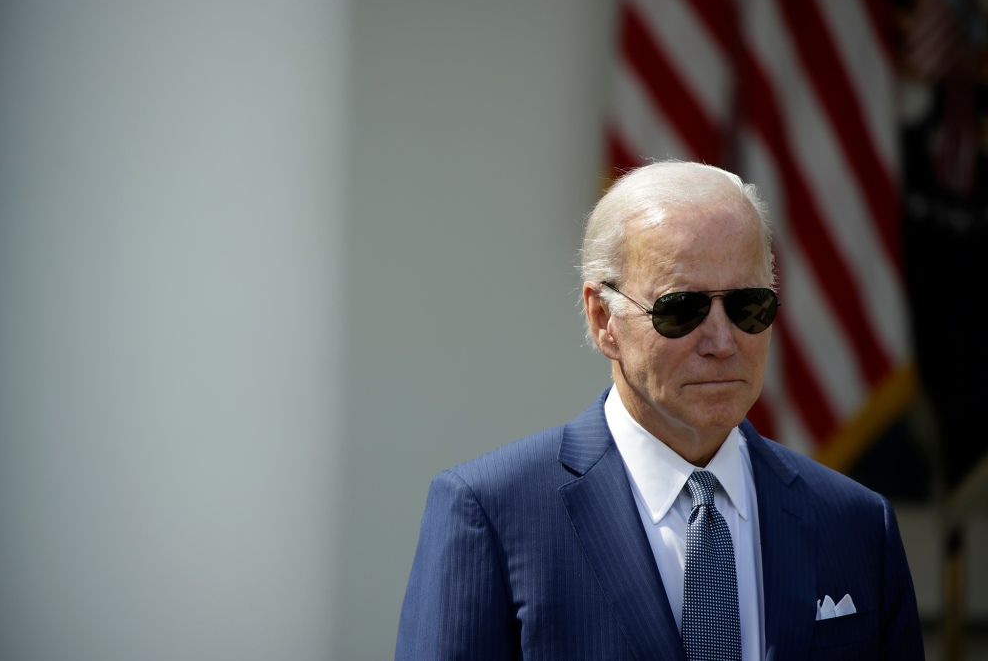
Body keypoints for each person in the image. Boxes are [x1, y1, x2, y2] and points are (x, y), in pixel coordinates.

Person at [395, 160, 923, 660]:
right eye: (682, 309)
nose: (722, 341)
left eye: (747, 306)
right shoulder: (490, 514)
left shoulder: (856, 524)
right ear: (603, 318)